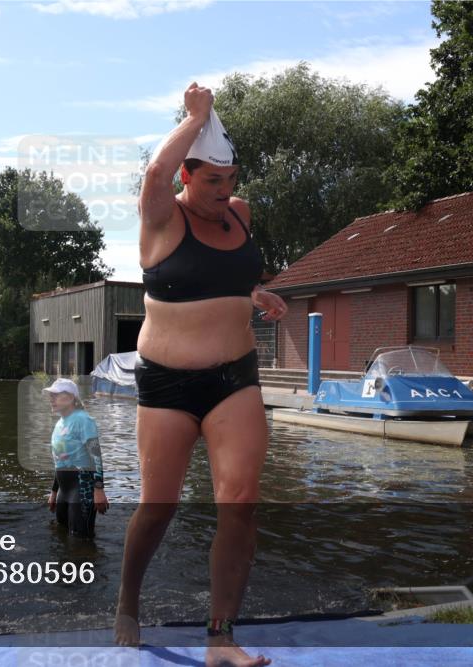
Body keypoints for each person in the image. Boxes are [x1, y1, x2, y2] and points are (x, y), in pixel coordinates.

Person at [116, 83, 287, 667]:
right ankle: (128, 601)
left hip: (234, 378)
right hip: (165, 384)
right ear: (187, 176)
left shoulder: (238, 216)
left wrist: (256, 293)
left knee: (239, 500)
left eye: (231, 178)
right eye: (212, 180)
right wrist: (197, 117)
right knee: (157, 505)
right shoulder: (162, 218)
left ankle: (220, 638)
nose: (225, 191)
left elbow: (229, 278)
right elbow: (154, 172)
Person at [44, 378, 108, 538]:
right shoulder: (60, 423)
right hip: (63, 491)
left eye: (56, 395)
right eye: (50, 395)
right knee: (62, 536)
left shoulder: (83, 420)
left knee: (81, 540)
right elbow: (61, 461)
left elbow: (96, 456)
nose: (51, 399)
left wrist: (99, 489)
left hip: (81, 488)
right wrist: (54, 491)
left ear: (71, 398)